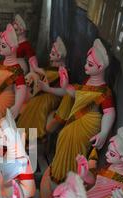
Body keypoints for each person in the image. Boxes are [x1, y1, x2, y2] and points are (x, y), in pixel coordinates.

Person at [40, 39, 116, 184]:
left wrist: (104, 132)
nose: (85, 66)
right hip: (76, 118)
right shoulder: (87, 81)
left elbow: (109, 112)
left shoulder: (104, 91)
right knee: (63, 135)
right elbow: (77, 94)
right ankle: (60, 172)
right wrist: (66, 85)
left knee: (75, 145)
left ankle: (72, 176)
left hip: (89, 122)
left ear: (100, 67)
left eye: (90, 64)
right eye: (86, 62)